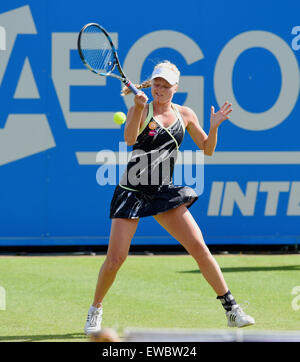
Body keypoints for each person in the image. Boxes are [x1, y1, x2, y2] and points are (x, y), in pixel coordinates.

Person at [84, 61, 255, 334]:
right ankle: (96, 309)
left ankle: (232, 309)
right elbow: (129, 139)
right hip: (132, 191)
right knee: (116, 259)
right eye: (156, 84)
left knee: (199, 246)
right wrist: (139, 109)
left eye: (166, 85)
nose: (160, 89)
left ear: (176, 88)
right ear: (150, 84)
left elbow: (207, 149)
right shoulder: (139, 108)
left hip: (163, 192)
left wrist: (215, 127)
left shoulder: (185, 114)